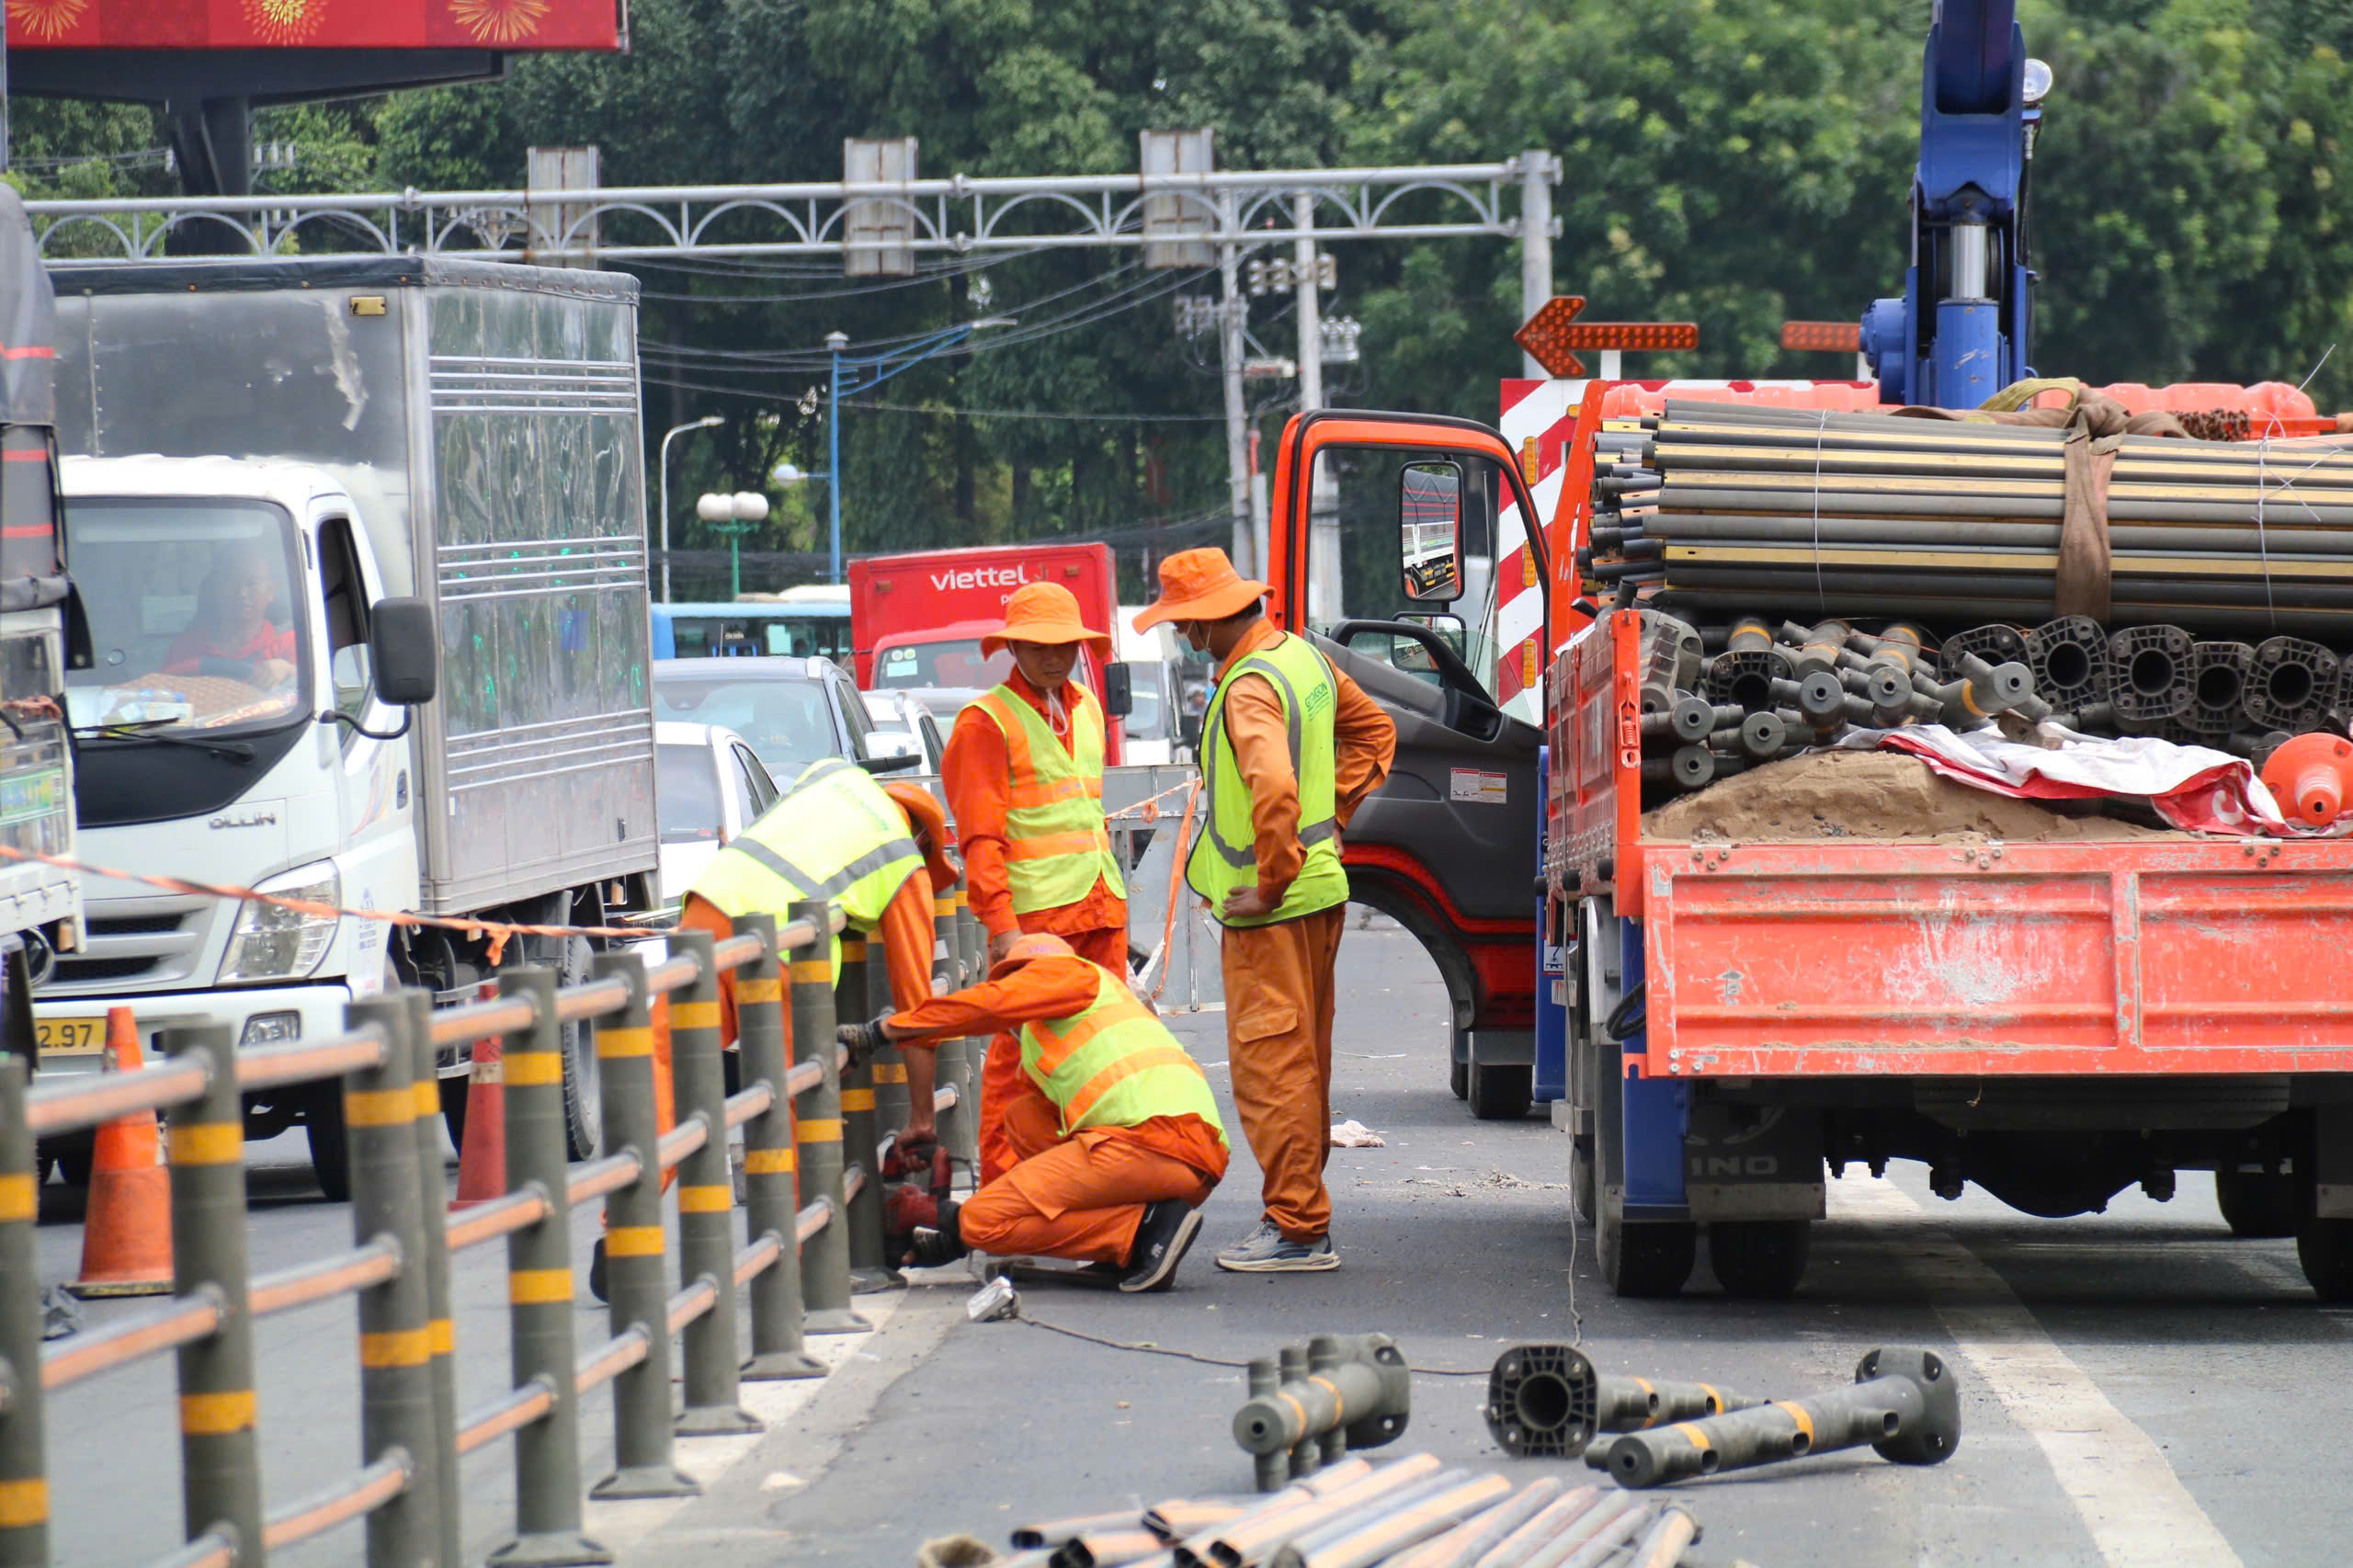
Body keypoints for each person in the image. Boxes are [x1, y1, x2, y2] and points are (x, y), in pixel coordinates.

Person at [1131, 548, 1395, 1273]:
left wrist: (1275, 879)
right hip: (1319, 892)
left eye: (1188, 624)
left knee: (1273, 1068)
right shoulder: (1302, 659)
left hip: (1273, 910)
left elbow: (1273, 787)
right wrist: (1329, 822)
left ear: (1217, 618)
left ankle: (1299, 1227)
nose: (1186, 639)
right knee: (1303, 1062)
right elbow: (1375, 733)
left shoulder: (1248, 687)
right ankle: (1300, 1213)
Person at [842, 932, 1226, 1292]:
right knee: (1023, 1119)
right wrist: (925, 1128)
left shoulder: (1068, 975)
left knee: (982, 1221)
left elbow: (985, 1005)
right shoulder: (1088, 1014)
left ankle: (1137, 1231)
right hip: (1188, 1153)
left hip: (1154, 1140)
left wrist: (883, 1031)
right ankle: (1139, 1220)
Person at [939, 580, 1129, 1187]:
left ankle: (1086, 1180)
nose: (1054, 655)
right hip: (1039, 925)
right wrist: (1002, 927)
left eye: (1065, 644)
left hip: (1100, 910)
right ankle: (1004, 1194)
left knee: (1099, 1055)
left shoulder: (1088, 708)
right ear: (1013, 647)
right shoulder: (985, 723)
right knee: (1019, 1065)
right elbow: (981, 839)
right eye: (1038, 644)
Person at [163, 544, 297, 686]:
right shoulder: (186, 647)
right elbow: (161, 694)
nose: (242, 593)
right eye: (231, 582)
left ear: (271, 591)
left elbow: (315, 685)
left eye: (252, 583)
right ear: (218, 590)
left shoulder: (291, 643)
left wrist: (290, 671)